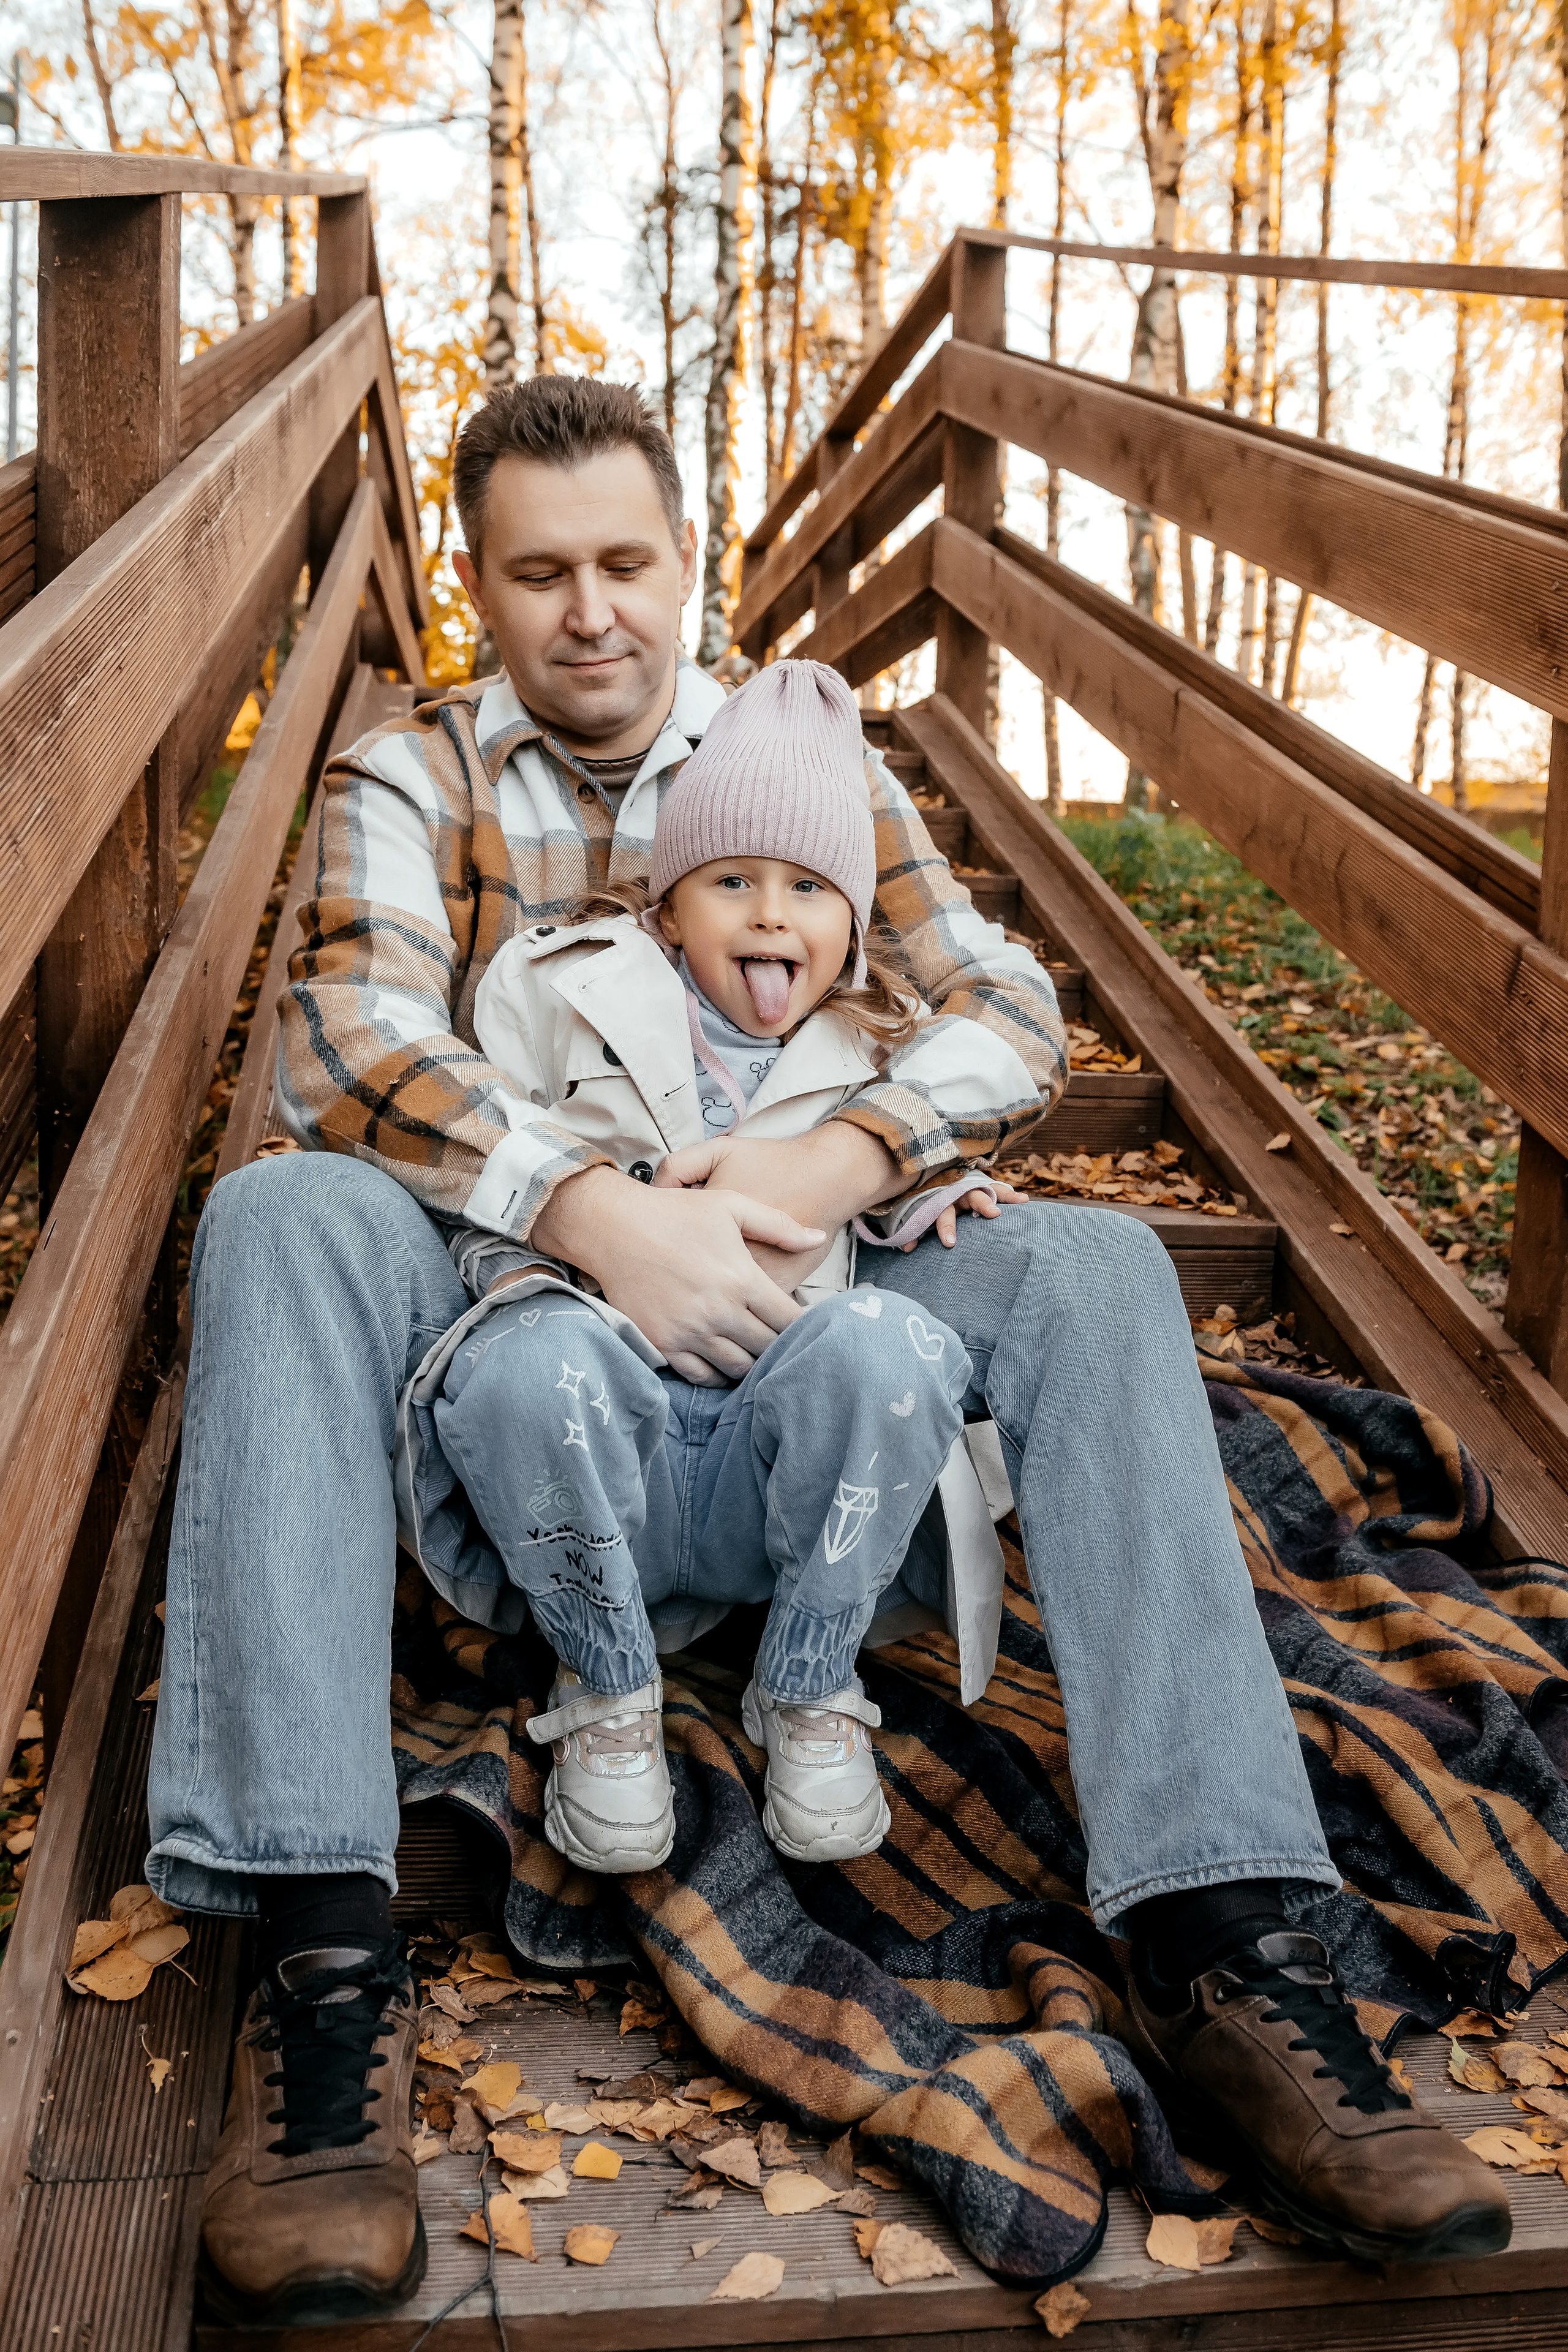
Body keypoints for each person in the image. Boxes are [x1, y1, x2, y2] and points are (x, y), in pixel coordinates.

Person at [155, 377, 1510, 2327]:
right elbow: (351, 1048)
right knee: (283, 1206)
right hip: (528, 1326)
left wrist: (845, 1148)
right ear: (478, 583)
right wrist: (597, 1212)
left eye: (628, 561)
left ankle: (1231, 1940)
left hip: (826, 1295)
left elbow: (1005, 1007)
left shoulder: (802, 751)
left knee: (1098, 1266)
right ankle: (319, 1964)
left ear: (683, 557)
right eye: (541, 575)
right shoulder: (412, 770)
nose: (592, 612)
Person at [411, 655, 1015, 1875]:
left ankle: (805, 1682)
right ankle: (608, 1690)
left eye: (806, 888)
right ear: (666, 907)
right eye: (730, 879)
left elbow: (890, 1188)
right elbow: (479, 1173)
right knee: (523, 1363)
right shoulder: (554, 991)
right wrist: (590, 1234)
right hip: (593, 1451)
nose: (768, 912)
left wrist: (934, 1189)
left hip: (766, 1465)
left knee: (894, 1349)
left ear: (849, 930)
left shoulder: (875, 1057)